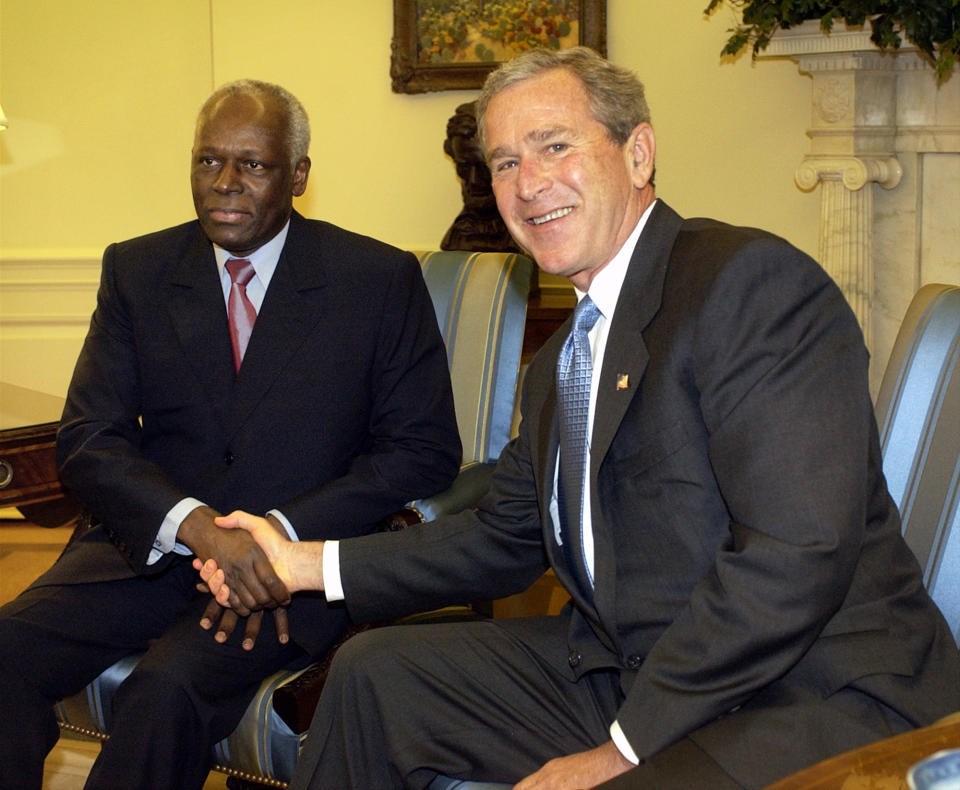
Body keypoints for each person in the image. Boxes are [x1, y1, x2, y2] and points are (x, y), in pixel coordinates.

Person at [198, 49, 960, 790]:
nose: (528, 184)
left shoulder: (746, 286)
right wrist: (299, 562)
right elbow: (504, 538)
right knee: (376, 675)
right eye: (503, 163)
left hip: (807, 691)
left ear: (639, 155)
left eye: (554, 146)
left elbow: (796, 554)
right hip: (630, 670)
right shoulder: (561, 359)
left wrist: (620, 751)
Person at [0, 79, 461, 790]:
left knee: (162, 693)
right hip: (148, 548)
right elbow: (90, 437)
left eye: (253, 164)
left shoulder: (376, 280)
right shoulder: (139, 270)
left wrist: (277, 536)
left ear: (299, 175)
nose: (225, 183)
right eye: (208, 160)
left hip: (289, 573)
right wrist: (198, 529)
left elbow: (422, 449)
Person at [440, 100, 518, 253]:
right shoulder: (459, 234)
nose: (474, 180)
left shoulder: (528, 232)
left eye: (484, 168)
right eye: (464, 166)